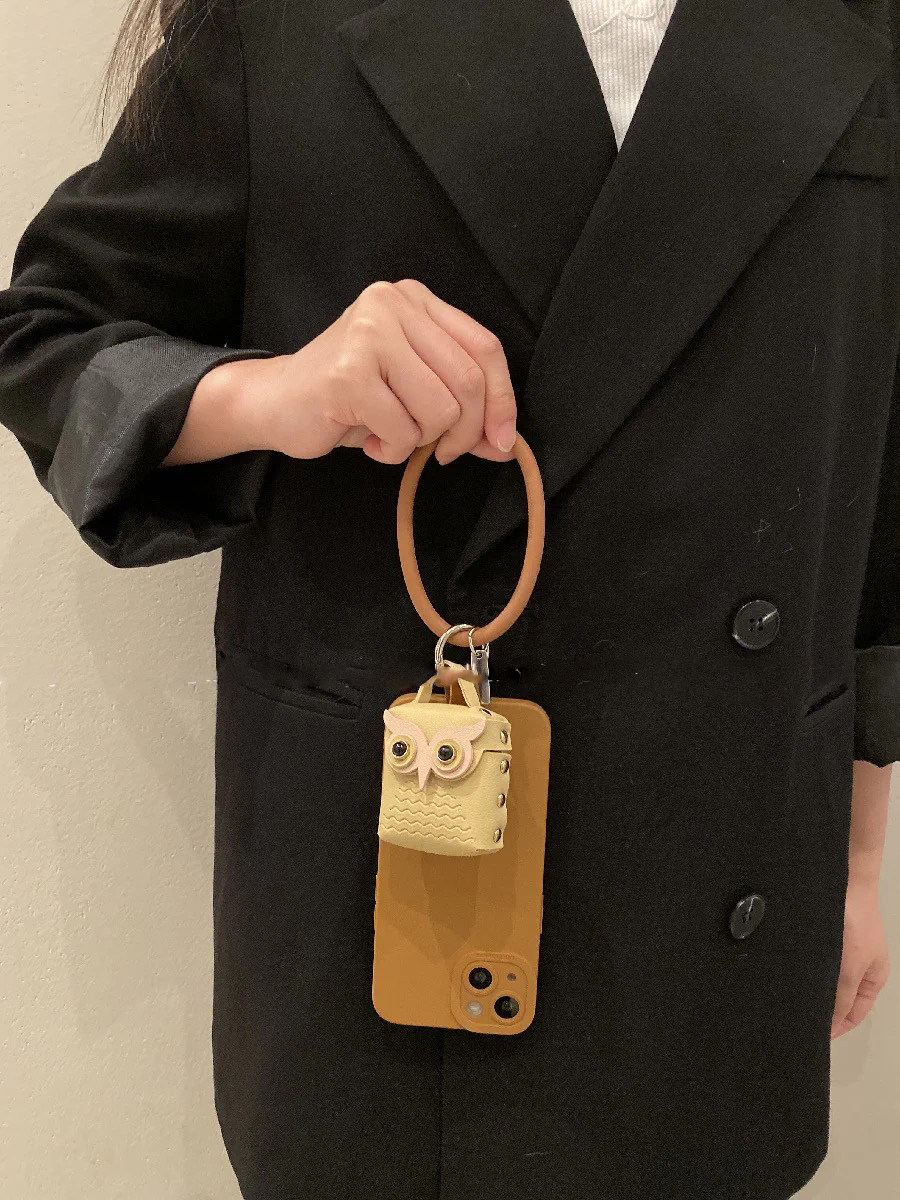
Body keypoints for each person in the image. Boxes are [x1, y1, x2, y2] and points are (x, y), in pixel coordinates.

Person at [0, 0, 897, 1197]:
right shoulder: (285, 21)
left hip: (732, 881)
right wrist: (284, 392)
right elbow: (47, 340)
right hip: (396, 898)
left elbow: (878, 479)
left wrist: (857, 858)